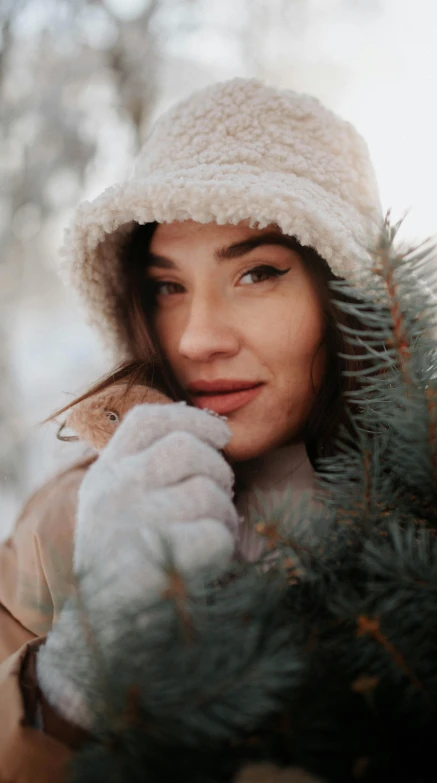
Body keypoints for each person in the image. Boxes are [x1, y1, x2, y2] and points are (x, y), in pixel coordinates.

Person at [0, 77, 383, 781]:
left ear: (347, 296)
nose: (198, 338)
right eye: (169, 286)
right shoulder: (62, 524)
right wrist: (69, 681)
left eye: (258, 272)